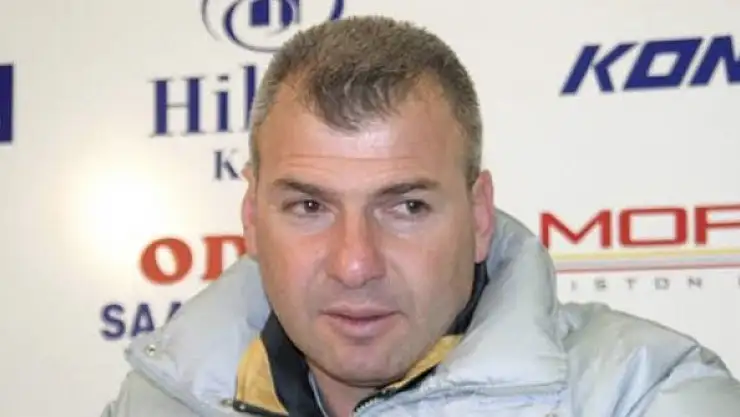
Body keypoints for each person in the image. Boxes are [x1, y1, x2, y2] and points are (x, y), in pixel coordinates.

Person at [101, 15, 740, 417]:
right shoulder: (158, 398)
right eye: (309, 206)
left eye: (407, 206)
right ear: (250, 215)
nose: (355, 264)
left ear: (479, 215)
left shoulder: (649, 396)